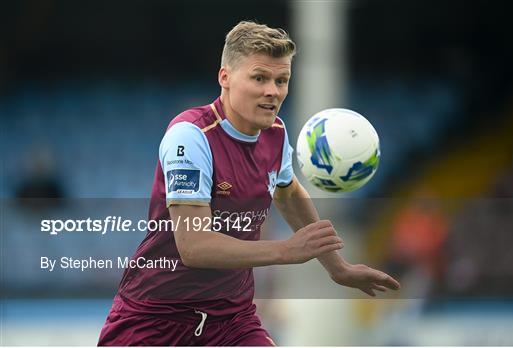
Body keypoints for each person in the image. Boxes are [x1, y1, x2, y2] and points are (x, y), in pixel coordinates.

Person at [98, 21, 400, 346]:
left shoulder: (276, 133)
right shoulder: (190, 136)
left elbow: (288, 192)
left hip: (231, 322)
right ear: (225, 77)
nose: (273, 90)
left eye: (281, 80)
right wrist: (286, 250)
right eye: (260, 78)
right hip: (155, 321)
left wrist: (337, 268)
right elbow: (194, 246)